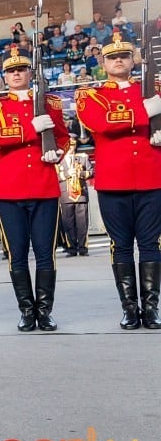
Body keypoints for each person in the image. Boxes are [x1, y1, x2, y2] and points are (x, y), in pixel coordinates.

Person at [0, 45, 70, 332]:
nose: (16, 74)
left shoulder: (49, 102)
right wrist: (31, 129)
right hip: (10, 191)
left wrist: (56, 153)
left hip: (44, 187)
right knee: (17, 254)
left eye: (21, 69)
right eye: (11, 71)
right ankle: (26, 310)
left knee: (46, 253)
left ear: (30, 73)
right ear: (4, 77)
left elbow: (63, 137)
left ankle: (45, 310)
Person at [75, 32, 161, 329]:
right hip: (114, 182)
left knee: (151, 244)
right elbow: (102, 124)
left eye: (124, 55)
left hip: (152, 178)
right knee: (121, 245)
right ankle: (130, 308)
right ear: (104, 63)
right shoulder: (91, 96)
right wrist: (145, 112)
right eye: (113, 57)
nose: (119, 60)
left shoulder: (154, 88)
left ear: (133, 60)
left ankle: (151, 309)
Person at [58, 137, 93, 257]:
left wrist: (80, 174)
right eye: (69, 145)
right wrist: (67, 174)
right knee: (68, 223)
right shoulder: (58, 160)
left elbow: (91, 172)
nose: (71, 148)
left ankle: (83, 248)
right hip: (66, 195)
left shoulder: (83, 157)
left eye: (73, 145)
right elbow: (54, 176)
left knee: (82, 223)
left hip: (80, 194)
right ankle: (71, 248)